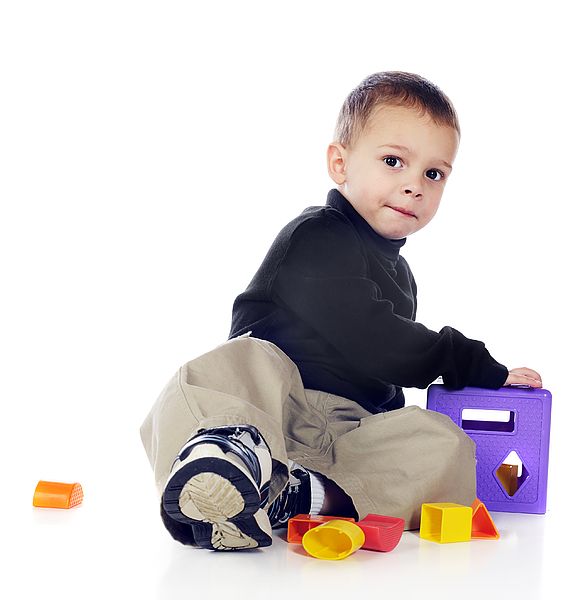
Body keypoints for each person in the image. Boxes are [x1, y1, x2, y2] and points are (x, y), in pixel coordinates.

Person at [140, 71, 542, 551]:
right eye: (394, 161)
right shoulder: (316, 238)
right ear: (340, 163)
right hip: (274, 408)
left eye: (433, 174)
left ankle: (303, 497)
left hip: (346, 435)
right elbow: (375, 339)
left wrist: (397, 425)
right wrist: (468, 360)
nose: (414, 185)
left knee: (443, 443)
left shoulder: (403, 277)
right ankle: (223, 452)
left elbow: (385, 383)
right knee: (234, 365)